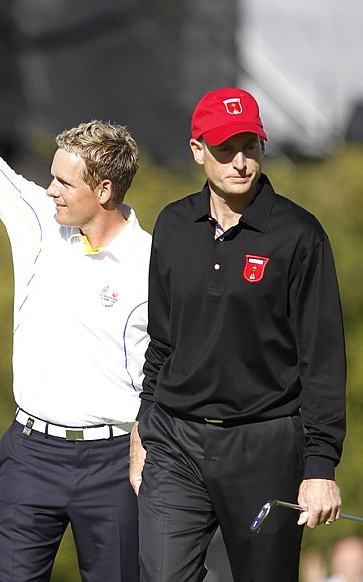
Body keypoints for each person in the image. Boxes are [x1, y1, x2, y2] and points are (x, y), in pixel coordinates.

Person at [0, 17, 151, 582]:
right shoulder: (41, 221)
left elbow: (167, 370)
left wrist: (145, 460)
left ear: (104, 191)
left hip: (115, 464)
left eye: (64, 183)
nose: (50, 190)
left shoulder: (156, 261)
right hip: (31, 453)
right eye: (51, 177)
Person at [129, 87, 347, 581]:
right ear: (197, 149)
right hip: (174, 440)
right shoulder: (172, 225)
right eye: (225, 148)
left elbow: (323, 359)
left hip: (264, 446)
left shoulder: (299, 235)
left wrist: (320, 466)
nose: (240, 162)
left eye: (250, 146)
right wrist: (143, 427)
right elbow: (161, 341)